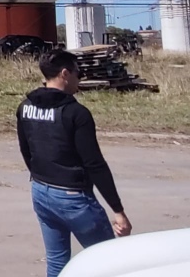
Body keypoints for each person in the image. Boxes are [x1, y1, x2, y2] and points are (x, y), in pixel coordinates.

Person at [16, 51, 132, 277]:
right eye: (78, 73)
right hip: (73, 199)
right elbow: (95, 164)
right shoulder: (76, 113)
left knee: (58, 263)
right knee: (111, 261)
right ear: (64, 74)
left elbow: (26, 149)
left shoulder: (25, 107)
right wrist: (118, 211)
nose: (80, 78)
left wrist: (42, 177)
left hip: (40, 192)